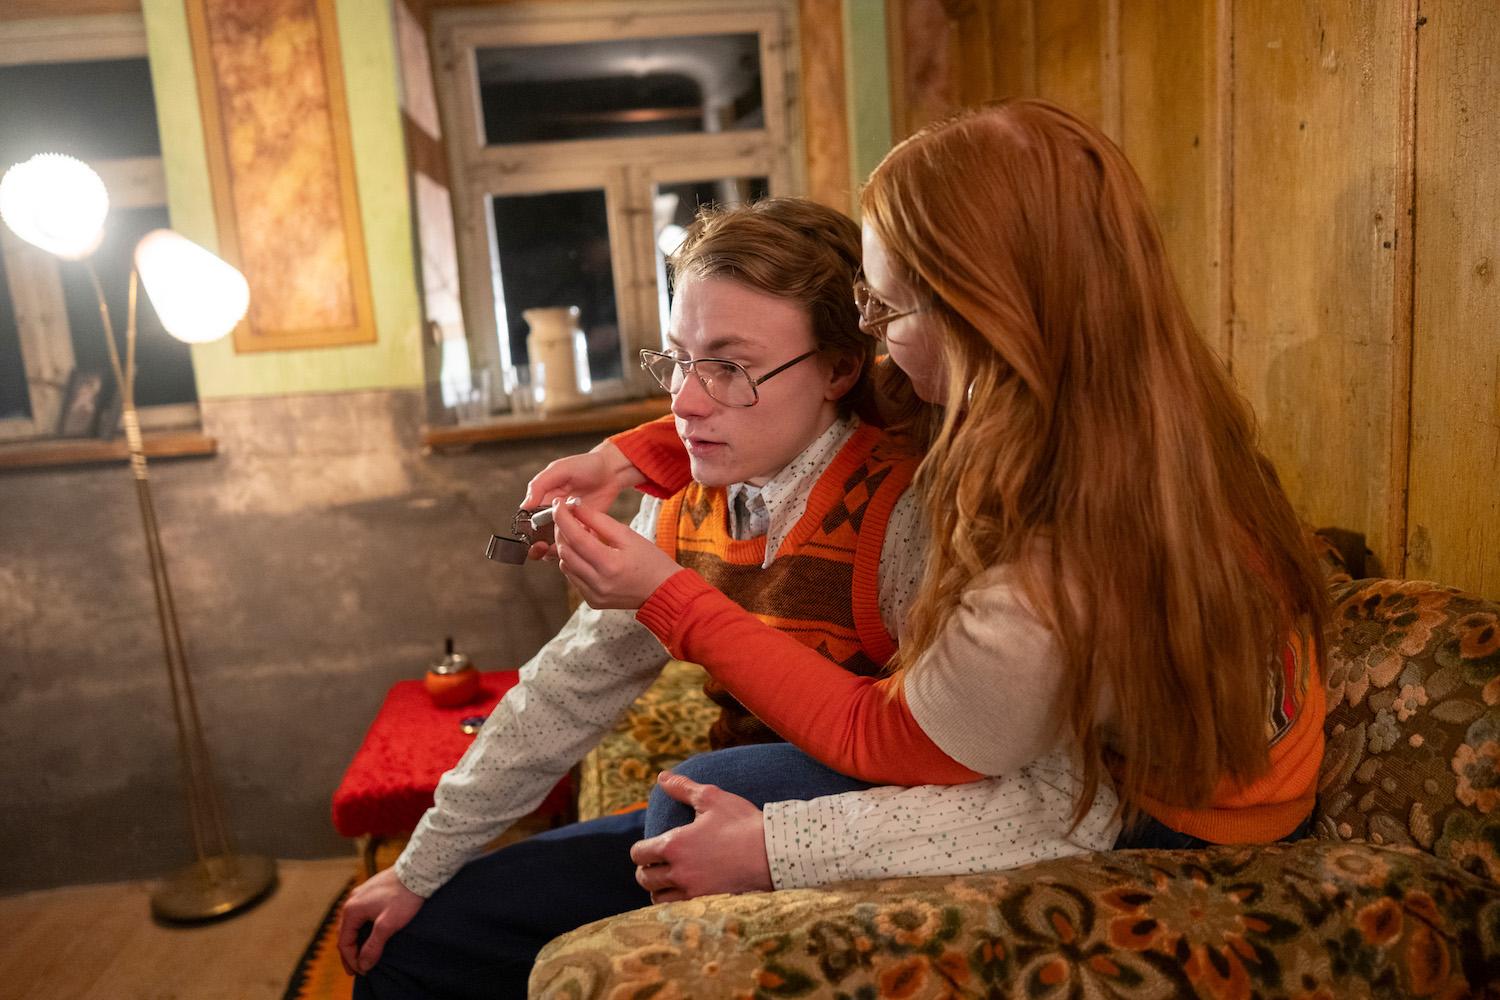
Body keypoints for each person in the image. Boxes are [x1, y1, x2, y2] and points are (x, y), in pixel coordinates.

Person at [538, 100, 1327, 897]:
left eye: (884, 308)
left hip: (1183, 825)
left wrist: (676, 608)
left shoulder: (1060, 553)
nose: (872, 333)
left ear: (976, 311)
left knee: (688, 806)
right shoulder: (1116, 389)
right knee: (647, 826)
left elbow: (896, 737)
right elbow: (833, 398)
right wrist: (637, 452)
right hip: (1194, 760)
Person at [338, 196, 1118, 999]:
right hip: (722, 815)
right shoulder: (679, 498)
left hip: (872, 832)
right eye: (677, 359)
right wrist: (419, 865)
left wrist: (777, 841)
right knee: (418, 942)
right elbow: (563, 695)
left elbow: (1047, 794)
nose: (684, 401)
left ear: (842, 368)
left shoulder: (907, 515)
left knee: (697, 791)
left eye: (730, 367)